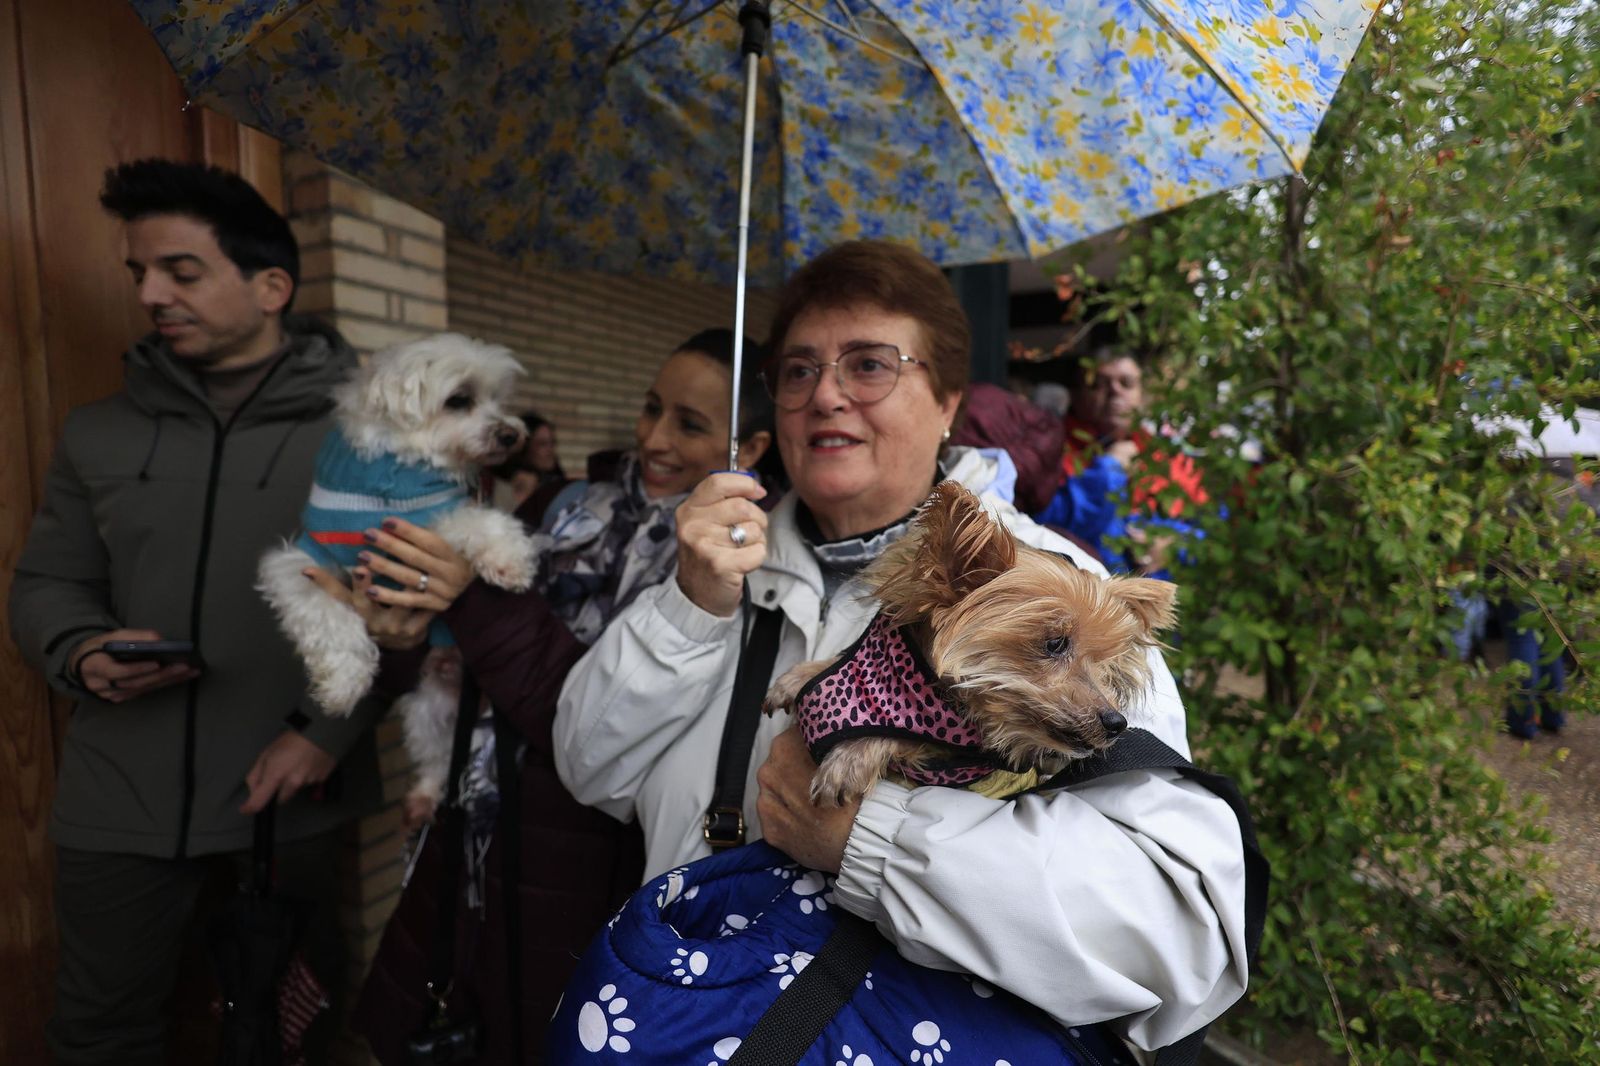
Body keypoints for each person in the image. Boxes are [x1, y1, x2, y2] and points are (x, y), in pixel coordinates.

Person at [552, 240, 1250, 1054]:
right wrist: (691, 606)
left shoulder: (1067, 602)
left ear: (949, 398)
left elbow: (1177, 934)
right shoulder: (716, 562)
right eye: (800, 370)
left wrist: (874, 843)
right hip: (694, 1027)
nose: (827, 396)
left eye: (870, 365)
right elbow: (588, 769)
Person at [7, 159, 381, 1065]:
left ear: (270, 287)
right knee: (98, 1036)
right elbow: (47, 581)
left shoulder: (365, 432)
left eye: (181, 271)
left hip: (287, 798)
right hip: (118, 799)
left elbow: (398, 610)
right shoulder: (101, 429)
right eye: (139, 272)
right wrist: (81, 649)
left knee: (292, 1036)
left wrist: (323, 735)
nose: (150, 293)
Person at [343, 328, 773, 1064]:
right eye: (650, 408)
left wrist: (476, 601)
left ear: (753, 449)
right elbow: (428, 665)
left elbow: (597, 732)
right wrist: (399, 635)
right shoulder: (560, 504)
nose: (655, 439)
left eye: (691, 423)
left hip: (579, 878)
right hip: (467, 841)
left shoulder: (742, 568)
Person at [1036, 336, 1208, 579]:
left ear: (1143, 395)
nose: (1115, 391)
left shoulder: (1166, 456)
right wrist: (1109, 469)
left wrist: (1172, 545)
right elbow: (1046, 528)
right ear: (1076, 394)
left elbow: (1213, 531)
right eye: (1099, 383)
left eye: (1126, 383)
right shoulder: (1048, 449)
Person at [490, 410, 569, 521]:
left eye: (552, 443)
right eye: (542, 444)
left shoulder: (554, 482)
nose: (550, 450)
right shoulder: (500, 486)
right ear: (523, 447)